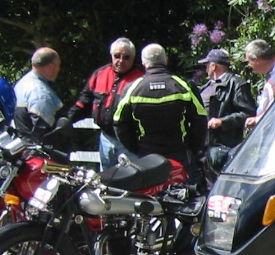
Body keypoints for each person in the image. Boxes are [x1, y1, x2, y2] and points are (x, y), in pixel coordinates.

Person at [113, 44, 207, 185]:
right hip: (179, 152)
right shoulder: (183, 85)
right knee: (183, 194)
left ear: (144, 63)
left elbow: (119, 122)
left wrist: (136, 148)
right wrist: (192, 148)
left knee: (151, 195)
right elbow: (200, 119)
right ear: (166, 60)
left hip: (147, 154)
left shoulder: (132, 88)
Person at [65, 37, 145, 169]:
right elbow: (84, 101)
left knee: (132, 178)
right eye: (117, 56)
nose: (121, 60)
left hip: (131, 142)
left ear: (133, 58)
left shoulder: (141, 78)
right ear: (111, 56)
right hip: (106, 138)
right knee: (106, 179)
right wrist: (67, 119)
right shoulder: (100, 74)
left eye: (126, 57)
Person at [198, 48, 255, 149]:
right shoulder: (205, 87)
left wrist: (222, 122)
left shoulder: (236, 84)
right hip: (203, 144)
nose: (205, 69)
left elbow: (248, 113)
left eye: (206, 65)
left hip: (223, 146)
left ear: (213, 66)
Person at [13, 47, 67, 148]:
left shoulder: (23, 83)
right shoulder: (40, 92)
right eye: (58, 65)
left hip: (22, 147)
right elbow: (42, 132)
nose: (59, 69)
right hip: (38, 152)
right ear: (50, 67)